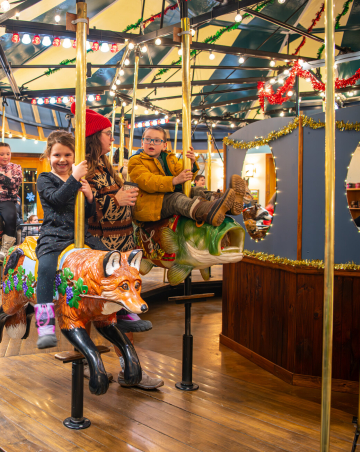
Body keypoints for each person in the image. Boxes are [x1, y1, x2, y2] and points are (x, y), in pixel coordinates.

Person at [81, 107, 161, 390]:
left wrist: (124, 197)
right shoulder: (88, 169)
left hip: (122, 242)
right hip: (105, 247)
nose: (112, 138)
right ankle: (126, 368)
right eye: (107, 133)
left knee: (114, 314)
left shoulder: (106, 165)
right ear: (94, 136)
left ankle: (125, 367)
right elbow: (87, 211)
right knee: (109, 313)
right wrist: (117, 199)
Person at [35, 130, 106, 349]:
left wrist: (90, 197)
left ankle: (122, 313)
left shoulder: (80, 180)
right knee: (46, 269)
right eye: (57, 155)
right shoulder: (45, 179)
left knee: (111, 261)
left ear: (74, 156)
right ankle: (45, 327)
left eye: (67, 154)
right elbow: (56, 200)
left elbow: (88, 213)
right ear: (49, 156)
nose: (62, 160)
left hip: (80, 235)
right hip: (54, 235)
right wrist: (75, 179)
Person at [128, 126, 245, 227]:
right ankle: (207, 212)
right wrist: (174, 180)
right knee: (177, 199)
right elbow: (148, 181)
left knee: (197, 190)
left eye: (157, 140)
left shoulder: (170, 158)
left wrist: (191, 163)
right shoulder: (135, 161)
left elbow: (184, 173)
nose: (152, 143)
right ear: (142, 143)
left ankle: (228, 203)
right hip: (150, 203)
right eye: (148, 139)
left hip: (167, 195)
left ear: (164, 145)